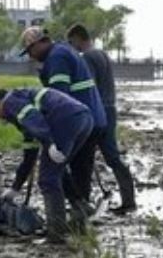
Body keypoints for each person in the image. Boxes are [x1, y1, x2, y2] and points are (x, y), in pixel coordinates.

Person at [0, 87, 94, 243]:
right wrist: (15, 188)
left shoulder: (10, 101)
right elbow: (29, 156)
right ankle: (81, 208)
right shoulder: (23, 114)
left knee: (47, 179)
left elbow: (32, 117)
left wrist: (49, 142)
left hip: (65, 120)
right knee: (57, 170)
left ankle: (56, 233)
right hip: (84, 118)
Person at [19, 27, 107, 214]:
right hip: (92, 117)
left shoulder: (57, 58)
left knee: (56, 166)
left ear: (40, 43)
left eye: (30, 51)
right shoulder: (63, 51)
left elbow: (59, 100)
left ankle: (76, 210)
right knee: (80, 167)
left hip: (81, 120)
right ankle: (81, 207)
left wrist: (46, 130)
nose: (31, 56)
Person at [66, 23, 137, 214]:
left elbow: (88, 87)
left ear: (78, 38)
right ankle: (129, 200)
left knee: (85, 157)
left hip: (97, 111)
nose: (72, 47)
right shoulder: (102, 54)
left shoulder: (87, 57)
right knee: (112, 156)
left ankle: (83, 201)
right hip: (110, 108)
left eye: (71, 42)